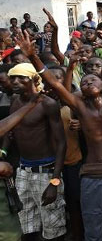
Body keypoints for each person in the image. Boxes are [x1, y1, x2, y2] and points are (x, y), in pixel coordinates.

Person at [16, 16, 102, 241]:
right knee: (92, 228)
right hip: (90, 175)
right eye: (85, 81)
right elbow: (53, 82)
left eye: (94, 80)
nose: (88, 82)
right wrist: (32, 56)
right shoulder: (79, 106)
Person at [4, 63, 66, 240]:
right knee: (27, 226)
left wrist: (54, 181)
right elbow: (11, 130)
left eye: (21, 78)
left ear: (34, 79)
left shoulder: (48, 104)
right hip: (24, 170)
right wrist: (3, 150)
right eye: (12, 77)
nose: (15, 82)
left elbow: (61, 143)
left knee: (53, 228)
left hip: (46, 171)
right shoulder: (16, 102)